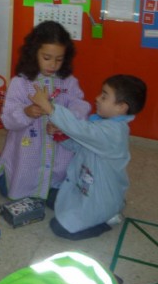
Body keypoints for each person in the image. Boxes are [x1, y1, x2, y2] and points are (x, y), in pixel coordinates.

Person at [0, 20, 91, 202]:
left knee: (59, 194)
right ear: (34, 54)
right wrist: (26, 112)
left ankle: (50, 185)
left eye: (59, 59)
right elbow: (7, 119)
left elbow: (81, 105)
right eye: (47, 58)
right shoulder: (20, 83)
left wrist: (66, 120)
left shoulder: (69, 82)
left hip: (58, 154)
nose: (53, 65)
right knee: (12, 193)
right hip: (27, 153)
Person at [29, 74, 147, 241]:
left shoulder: (114, 133)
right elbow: (81, 146)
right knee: (48, 196)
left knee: (60, 228)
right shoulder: (103, 124)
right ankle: (97, 209)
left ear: (121, 107)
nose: (97, 98)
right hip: (85, 188)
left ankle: (108, 219)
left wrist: (49, 108)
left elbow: (80, 130)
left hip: (101, 199)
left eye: (104, 96)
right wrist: (60, 135)